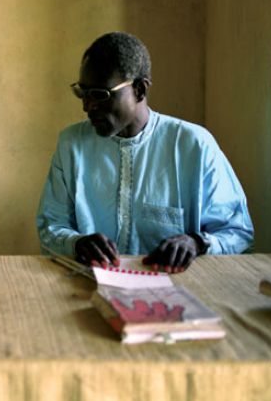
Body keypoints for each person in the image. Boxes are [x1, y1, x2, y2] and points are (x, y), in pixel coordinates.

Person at [36, 32, 253, 272]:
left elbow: (238, 231)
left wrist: (197, 242)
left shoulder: (194, 146)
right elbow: (50, 226)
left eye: (100, 95)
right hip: (89, 286)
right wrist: (76, 243)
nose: (88, 106)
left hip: (177, 289)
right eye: (83, 93)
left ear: (140, 89)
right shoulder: (72, 145)